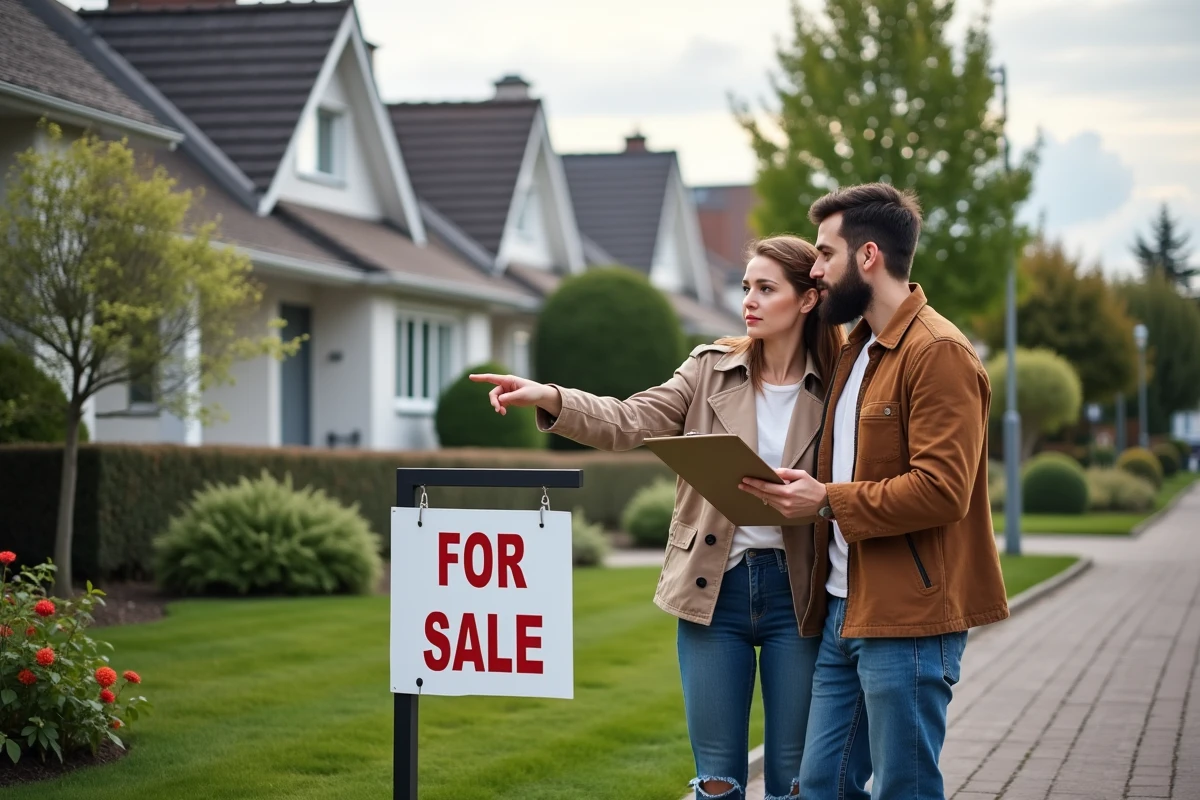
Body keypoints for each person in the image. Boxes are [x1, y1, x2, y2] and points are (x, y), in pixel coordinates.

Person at [470, 236, 846, 800]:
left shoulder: (842, 383)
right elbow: (629, 420)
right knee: (716, 778)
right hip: (711, 588)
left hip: (800, 592)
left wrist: (822, 497)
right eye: (746, 287)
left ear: (807, 300)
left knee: (794, 778)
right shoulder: (708, 370)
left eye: (767, 289)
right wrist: (550, 396)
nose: (750, 300)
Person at [738, 183, 1009, 800]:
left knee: (904, 788)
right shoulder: (857, 348)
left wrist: (827, 499)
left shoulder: (937, 353)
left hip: (910, 620)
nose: (814, 269)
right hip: (844, 609)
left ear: (867, 258)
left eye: (824, 254)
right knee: (820, 787)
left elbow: (943, 491)